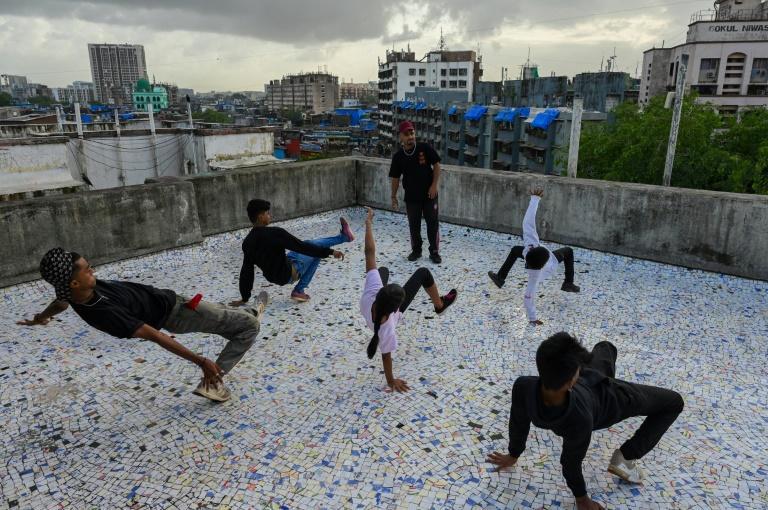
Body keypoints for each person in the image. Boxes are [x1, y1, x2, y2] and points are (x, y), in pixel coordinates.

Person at [18, 248, 270, 402]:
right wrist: (201, 361)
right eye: (87, 269)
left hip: (172, 300)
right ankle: (214, 381)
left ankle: (247, 310)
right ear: (74, 282)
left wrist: (40, 317)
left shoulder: (73, 293)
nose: (92, 269)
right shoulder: (103, 312)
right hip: (177, 313)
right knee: (249, 328)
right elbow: (154, 336)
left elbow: (60, 303)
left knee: (226, 314)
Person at [486, 333, 684, 510]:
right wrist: (582, 500)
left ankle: (601, 357)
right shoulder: (580, 419)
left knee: (605, 347)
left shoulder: (523, 386)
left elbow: (518, 421)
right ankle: (626, 456)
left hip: (588, 381)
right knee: (674, 402)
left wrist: (513, 454)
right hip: (609, 399)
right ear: (572, 379)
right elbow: (570, 463)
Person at [359, 207, 457, 392]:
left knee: (383, 271)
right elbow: (386, 356)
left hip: (375, 309)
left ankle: (387, 280)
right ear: (396, 309)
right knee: (423, 273)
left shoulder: (371, 294)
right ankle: (440, 305)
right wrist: (391, 381)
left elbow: (369, 252)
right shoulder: (388, 328)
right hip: (385, 316)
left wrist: (368, 223)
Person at [231, 199, 351, 304]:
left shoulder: (247, 242)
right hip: (288, 274)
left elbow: (247, 271)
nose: (270, 215)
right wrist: (330, 252)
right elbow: (301, 247)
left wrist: (244, 298)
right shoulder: (276, 233)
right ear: (260, 216)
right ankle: (299, 290)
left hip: (275, 275)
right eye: (267, 213)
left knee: (311, 245)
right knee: (315, 252)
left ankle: (343, 237)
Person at [487, 189, 580, 325]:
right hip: (546, 264)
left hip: (542, 262)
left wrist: (535, 199)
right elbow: (528, 298)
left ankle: (501, 277)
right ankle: (568, 282)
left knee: (515, 250)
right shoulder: (534, 259)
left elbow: (528, 222)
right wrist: (532, 318)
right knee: (569, 251)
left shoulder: (531, 253)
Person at [389, 120, 443, 264]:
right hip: (411, 197)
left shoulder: (424, 148)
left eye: (412, 133)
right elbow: (395, 178)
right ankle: (416, 251)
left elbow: (437, 165)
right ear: (400, 137)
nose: (410, 136)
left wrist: (434, 186)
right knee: (414, 226)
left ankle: (434, 252)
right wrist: (393, 196)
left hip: (429, 195)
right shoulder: (398, 157)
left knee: (432, 224)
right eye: (406, 134)